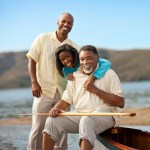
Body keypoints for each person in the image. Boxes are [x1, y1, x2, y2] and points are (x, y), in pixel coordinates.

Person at [42, 45, 125, 150]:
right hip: (81, 114)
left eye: (89, 58)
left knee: (86, 121)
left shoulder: (109, 74)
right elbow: (65, 100)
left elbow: (120, 102)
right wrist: (56, 108)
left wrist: (96, 90)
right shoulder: (74, 76)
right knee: (51, 121)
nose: (85, 62)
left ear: (97, 57)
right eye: (82, 59)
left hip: (107, 115)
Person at [26, 12, 80, 150]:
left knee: (61, 130)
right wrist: (34, 82)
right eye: (64, 21)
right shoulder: (42, 38)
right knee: (38, 128)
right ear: (57, 22)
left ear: (72, 26)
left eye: (70, 23)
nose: (66, 24)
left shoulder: (75, 47)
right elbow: (32, 61)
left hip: (64, 94)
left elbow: (79, 70)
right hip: (43, 91)